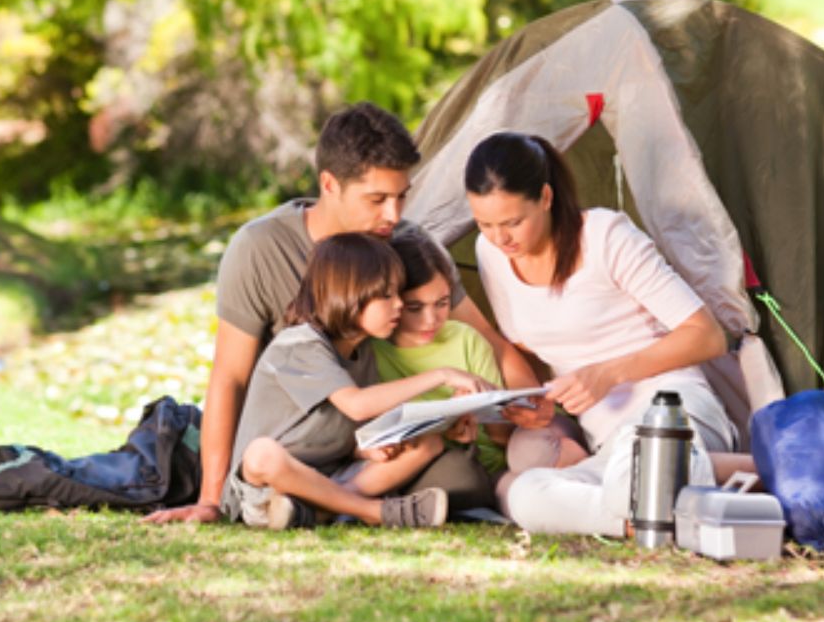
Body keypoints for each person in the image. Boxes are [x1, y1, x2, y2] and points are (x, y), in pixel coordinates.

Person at [146, 102, 543, 525]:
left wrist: (532, 408)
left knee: (459, 476)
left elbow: (489, 342)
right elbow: (230, 376)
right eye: (377, 199)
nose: (394, 215)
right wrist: (210, 499)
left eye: (402, 196)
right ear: (330, 184)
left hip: (369, 446)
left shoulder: (409, 244)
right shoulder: (260, 249)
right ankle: (341, 506)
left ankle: (314, 505)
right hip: (297, 442)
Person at [465, 131, 738, 536]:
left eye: (513, 222)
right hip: (606, 447)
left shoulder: (605, 237)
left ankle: (660, 494)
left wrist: (609, 373)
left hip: (672, 410)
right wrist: (542, 405)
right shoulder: (491, 254)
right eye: (484, 223)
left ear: (545, 197)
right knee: (521, 491)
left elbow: (706, 335)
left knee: (637, 462)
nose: (500, 237)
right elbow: (539, 349)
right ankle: (639, 518)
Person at [222, 233, 491, 529]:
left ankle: (319, 512)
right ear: (348, 295)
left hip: (331, 478)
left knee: (427, 443)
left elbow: (337, 430)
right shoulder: (298, 345)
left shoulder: (363, 353)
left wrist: (366, 448)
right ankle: (375, 511)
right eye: (387, 295)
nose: (399, 305)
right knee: (261, 454)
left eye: (399, 294)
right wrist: (441, 375)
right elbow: (357, 405)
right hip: (267, 487)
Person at [373, 226, 589, 512]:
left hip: (515, 445)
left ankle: (590, 468)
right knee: (518, 498)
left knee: (529, 453)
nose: (431, 320)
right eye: (415, 307)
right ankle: (584, 497)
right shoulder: (375, 353)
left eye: (442, 303)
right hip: (478, 471)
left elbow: (502, 436)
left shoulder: (464, 338)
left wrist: (485, 412)